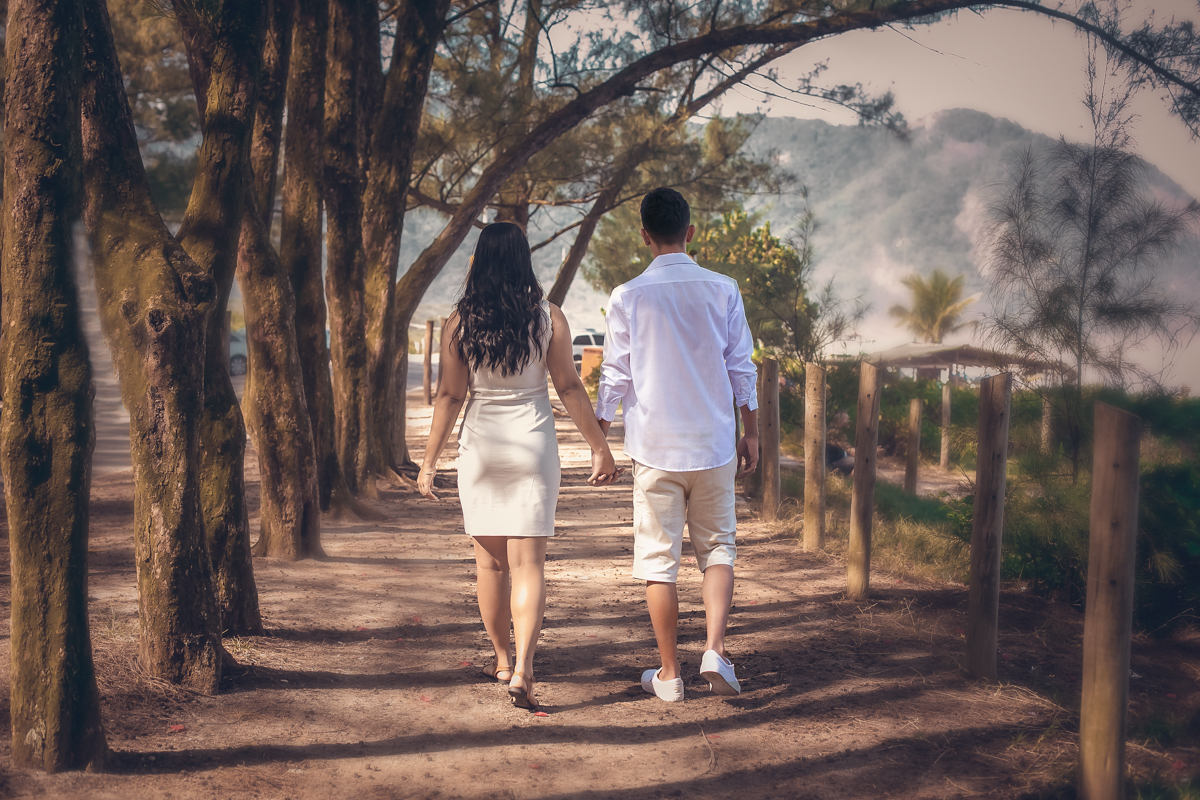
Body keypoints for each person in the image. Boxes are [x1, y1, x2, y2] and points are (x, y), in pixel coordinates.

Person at [417, 222, 621, 712]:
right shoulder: (548, 317)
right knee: (529, 564)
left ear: (480, 262)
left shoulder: (458, 323)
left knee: (489, 564)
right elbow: (569, 387)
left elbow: (450, 395)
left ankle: (503, 660)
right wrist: (599, 446)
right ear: (524, 260)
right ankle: (526, 670)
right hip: (533, 441)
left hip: (481, 446)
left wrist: (428, 463)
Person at [595, 187, 759, 703]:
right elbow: (742, 367)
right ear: (691, 232)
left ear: (644, 236)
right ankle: (714, 650)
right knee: (718, 549)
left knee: (658, 561)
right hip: (713, 444)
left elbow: (615, 375)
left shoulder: (627, 296)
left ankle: (669, 675)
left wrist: (599, 434)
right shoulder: (723, 289)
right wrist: (750, 430)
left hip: (656, 448)